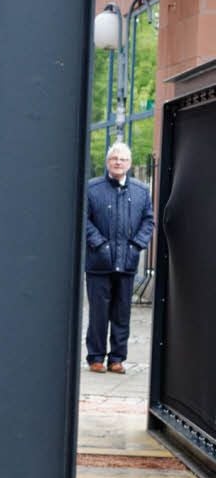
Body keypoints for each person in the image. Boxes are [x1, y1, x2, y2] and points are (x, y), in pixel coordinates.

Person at [85, 141, 154, 374]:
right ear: (107, 162)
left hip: (127, 263)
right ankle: (95, 357)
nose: (118, 162)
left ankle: (117, 359)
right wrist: (99, 244)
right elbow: (83, 219)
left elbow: (148, 221)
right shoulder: (92, 189)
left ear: (129, 163)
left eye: (123, 159)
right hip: (98, 263)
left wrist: (136, 246)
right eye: (114, 158)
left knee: (122, 313)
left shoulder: (141, 191)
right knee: (98, 313)